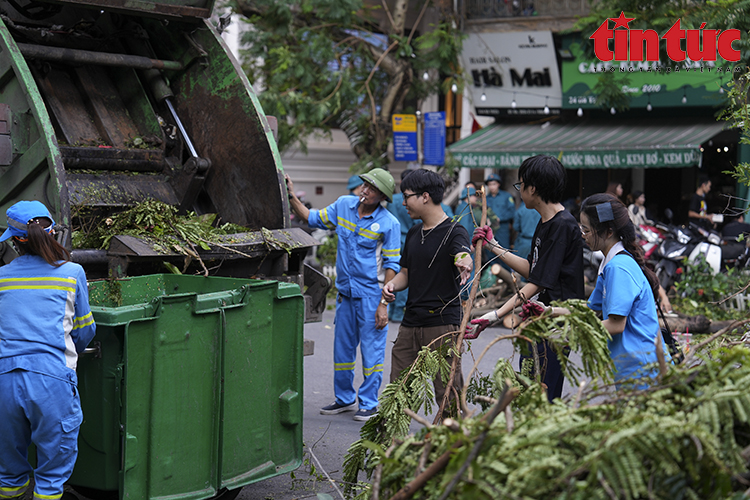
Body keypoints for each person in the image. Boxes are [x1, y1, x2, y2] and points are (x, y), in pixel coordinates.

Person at [465, 155, 584, 402]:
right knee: (529, 388)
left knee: (543, 395)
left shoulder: (563, 225)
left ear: (533, 188)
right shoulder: (546, 222)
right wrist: (493, 245)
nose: (519, 192)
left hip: (555, 325)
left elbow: (538, 283)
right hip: (537, 321)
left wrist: (494, 315)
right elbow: (533, 270)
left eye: (520, 186)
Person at [0, 200, 96, 500]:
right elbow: (85, 330)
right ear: (54, 233)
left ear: (15, 242)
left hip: (4, 380)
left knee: (8, 472)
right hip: (51, 381)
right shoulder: (72, 273)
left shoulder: (1, 278)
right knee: (51, 476)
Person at [287, 169, 401, 421]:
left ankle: (369, 403)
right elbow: (311, 217)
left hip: (372, 295)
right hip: (346, 295)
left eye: (371, 188)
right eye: (364, 184)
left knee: (371, 353)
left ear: (381, 195)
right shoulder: (344, 206)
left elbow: (392, 264)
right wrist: (291, 195)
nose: (364, 189)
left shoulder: (388, 223)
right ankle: (344, 399)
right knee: (343, 351)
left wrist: (384, 304)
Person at [381, 169, 473, 415]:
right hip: (410, 324)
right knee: (398, 391)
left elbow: (463, 252)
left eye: (406, 196)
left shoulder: (455, 231)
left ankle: (452, 448)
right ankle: (394, 448)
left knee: (448, 394)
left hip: (442, 325)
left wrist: (464, 261)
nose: (403, 202)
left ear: (424, 196)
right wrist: (392, 285)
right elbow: (406, 274)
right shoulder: (413, 232)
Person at [579, 194, 669, 388]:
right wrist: (550, 312)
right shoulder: (610, 263)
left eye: (586, 229)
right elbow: (587, 312)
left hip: (643, 369)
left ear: (608, 231)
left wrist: (573, 332)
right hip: (632, 367)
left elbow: (616, 324)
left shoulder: (618, 267)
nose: (583, 235)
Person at [386, 170, 418, 323]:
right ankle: (398, 311)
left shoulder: (393, 200)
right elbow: (417, 223)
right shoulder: (413, 201)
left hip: (392, 240)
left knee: (392, 273)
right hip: (408, 239)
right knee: (406, 275)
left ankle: (390, 309)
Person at [485, 173, 516, 250]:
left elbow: (512, 212)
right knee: (490, 251)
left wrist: (500, 218)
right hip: (490, 228)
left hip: (502, 229)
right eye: (490, 184)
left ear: (498, 184)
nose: (492, 187)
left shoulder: (506, 196)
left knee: (504, 251)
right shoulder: (485, 198)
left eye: (494, 184)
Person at [513, 200, 541, 271]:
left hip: (524, 242)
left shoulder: (521, 210)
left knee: (521, 267)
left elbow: (516, 227)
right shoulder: (540, 210)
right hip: (538, 242)